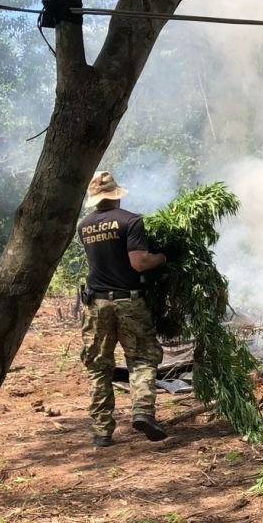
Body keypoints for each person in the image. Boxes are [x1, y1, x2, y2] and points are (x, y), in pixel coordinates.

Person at [78, 170, 169, 447]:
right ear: (116, 195)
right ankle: (142, 412)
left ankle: (102, 431)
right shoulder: (130, 221)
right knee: (141, 358)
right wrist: (164, 256)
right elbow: (139, 263)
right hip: (128, 301)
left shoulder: (84, 226)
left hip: (95, 305)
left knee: (98, 367)